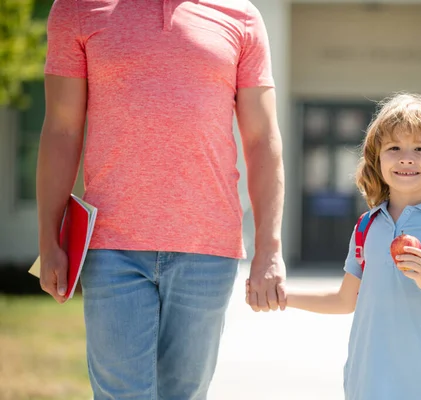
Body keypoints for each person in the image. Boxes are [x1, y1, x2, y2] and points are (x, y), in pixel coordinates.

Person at [36, 1, 286, 399]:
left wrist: (269, 249)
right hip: (110, 246)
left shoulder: (240, 15)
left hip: (208, 249)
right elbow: (62, 129)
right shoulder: (78, 9)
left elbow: (262, 139)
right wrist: (49, 240)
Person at [249, 93, 421, 399]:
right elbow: (344, 300)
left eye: (420, 148)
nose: (406, 157)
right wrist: (283, 296)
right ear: (376, 159)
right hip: (366, 385)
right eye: (394, 148)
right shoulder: (367, 227)